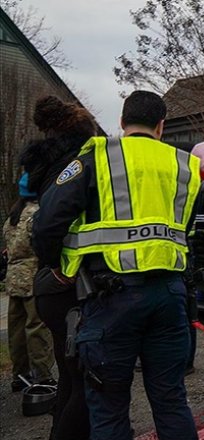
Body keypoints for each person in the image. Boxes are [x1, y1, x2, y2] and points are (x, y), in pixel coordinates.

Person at [32, 91, 201, 440]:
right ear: (161, 125)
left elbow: (47, 223)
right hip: (170, 297)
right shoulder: (185, 165)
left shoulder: (97, 156)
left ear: (122, 123)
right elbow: (186, 229)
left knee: (109, 409)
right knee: (171, 401)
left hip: (111, 299)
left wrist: (60, 267)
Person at [20, 95, 96, 439]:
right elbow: (48, 226)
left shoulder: (45, 164)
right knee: (84, 380)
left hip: (53, 285)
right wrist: (59, 269)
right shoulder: (79, 163)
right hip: (71, 283)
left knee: (69, 375)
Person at [4, 172, 55, 393]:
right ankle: (43, 375)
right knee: (37, 327)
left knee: (16, 330)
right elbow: (42, 244)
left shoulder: (13, 216)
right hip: (33, 277)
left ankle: (19, 374)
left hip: (14, 278)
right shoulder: (37, 214)